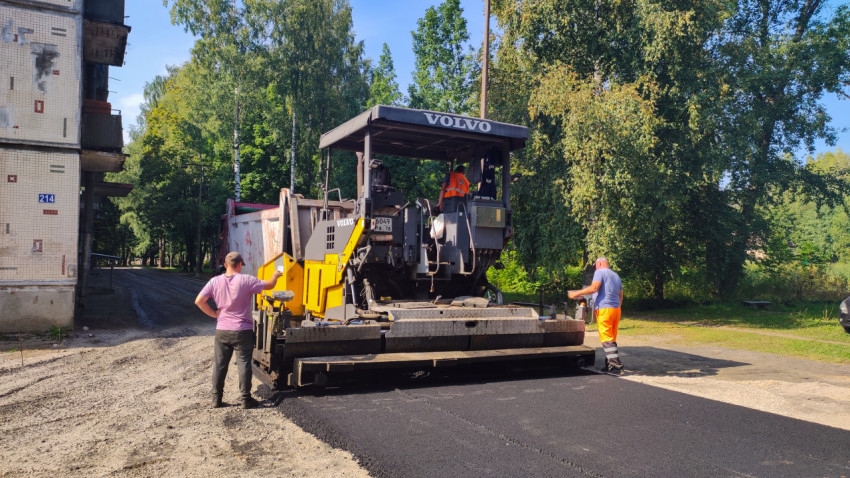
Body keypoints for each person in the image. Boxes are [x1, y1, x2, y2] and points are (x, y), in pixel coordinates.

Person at [195, 251, 282, 409]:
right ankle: (245, 399)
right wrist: (276, 275)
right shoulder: (246, 280)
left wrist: (215, 314)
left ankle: (216, 399)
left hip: (222, 330)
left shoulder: (214, 281)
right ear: (240, 264)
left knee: (220, 365)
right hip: (243, 330)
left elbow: (199, 301)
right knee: (244, 364)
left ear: (226, 265)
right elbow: (269, 285)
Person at [568, 257, 624, 373]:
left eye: (595, 266)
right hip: (616, 310)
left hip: (605, 310)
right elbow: (620, 296)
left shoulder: (600, 272)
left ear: (599, 264)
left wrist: (576, 293)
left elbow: (594, 288)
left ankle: (615, 365)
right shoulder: (616, 276)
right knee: (611, 337)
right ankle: (609, 364)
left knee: (606, 338)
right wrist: (616, 306)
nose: (595, 269)